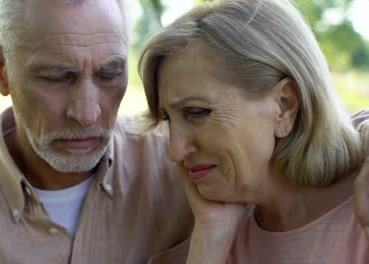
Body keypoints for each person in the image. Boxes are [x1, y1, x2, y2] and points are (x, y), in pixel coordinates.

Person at [0, 0, 368, 263]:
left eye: (108, 75)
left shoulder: (205, 170)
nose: (87, 112)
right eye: (56, 77)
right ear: (1, 70)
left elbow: (324, 133)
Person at [138, 0, 369, 263]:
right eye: (167, 117)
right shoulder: (207, 236)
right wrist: (211, 238)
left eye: (197, 112)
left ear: (284, 105)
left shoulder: (361, 210)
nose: (175, 150)